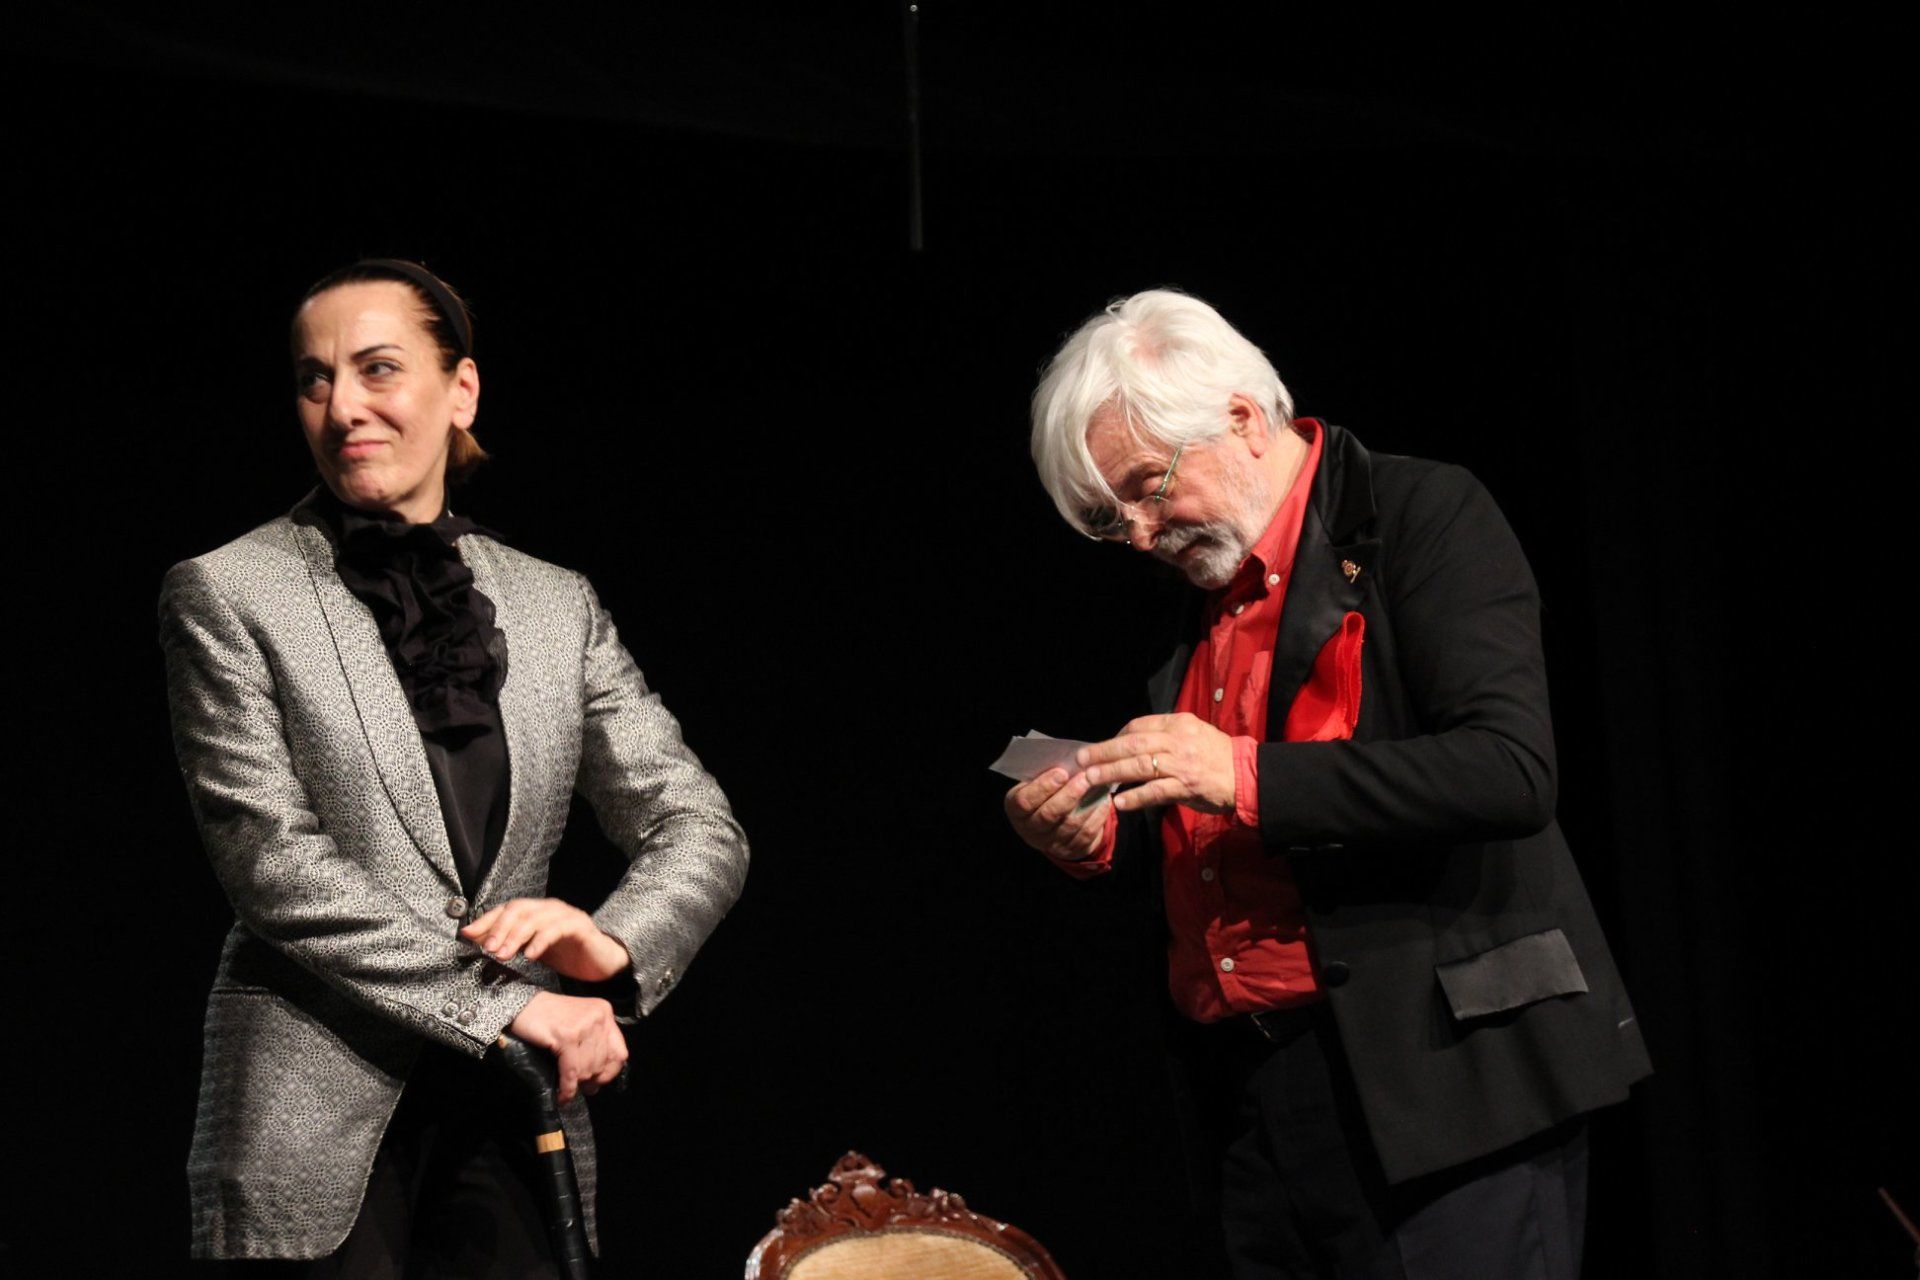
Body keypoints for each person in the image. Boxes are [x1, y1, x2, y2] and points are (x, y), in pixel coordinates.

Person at [1005, 290, 1650, 1279]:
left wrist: (1239, 770)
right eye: (1108, 517)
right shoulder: (1192, 588)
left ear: (1240, 418)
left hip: (1437, 1083)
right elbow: (1213, 831)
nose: (1137, 533)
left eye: (1147, 487)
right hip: (1252, 1097)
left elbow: (1508, 768)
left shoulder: (1419, 513)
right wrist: (1091, 832)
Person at [159, 259, 750, 1275]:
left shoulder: (555, 603)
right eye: (314, 378)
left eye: (378, 368)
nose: (344, 405)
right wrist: (506, 1000)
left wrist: (610, 941)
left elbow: (696, 824)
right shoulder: (229, 590)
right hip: (314, 1099)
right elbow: (272, 865)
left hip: (514, 1109)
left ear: (460, 390)